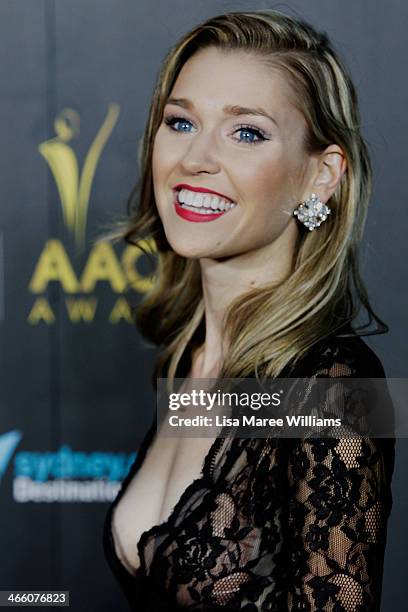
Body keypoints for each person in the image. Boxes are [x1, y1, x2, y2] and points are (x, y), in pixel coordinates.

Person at [103, 9, 395, 611]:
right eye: (181, 122)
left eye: (248, 133)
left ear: (321, 176)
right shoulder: (189, 359)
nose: (195, 159)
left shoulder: (331, 385)